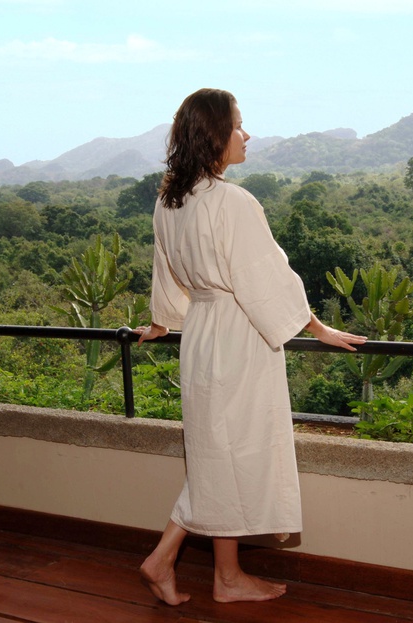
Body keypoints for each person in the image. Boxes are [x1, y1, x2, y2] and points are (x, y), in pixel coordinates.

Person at [133, 88, 366, 605]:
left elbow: (168, 273)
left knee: (219, 454)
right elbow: (265, 279)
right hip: (239, 337)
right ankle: (164, 558)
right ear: (215, 135)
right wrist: (317, 328)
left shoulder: (172, 197)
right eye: (239, 125)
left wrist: (162, 322)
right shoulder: (232, 201)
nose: (247, 134)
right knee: (228, 457)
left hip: (202, 334)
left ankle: (227, 575)